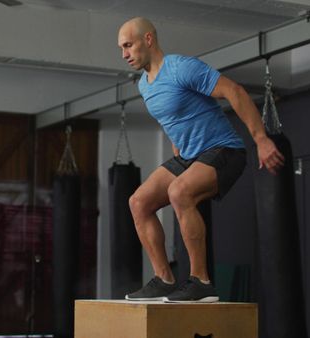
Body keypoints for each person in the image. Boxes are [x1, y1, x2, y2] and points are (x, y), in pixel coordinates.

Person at [117, 17, 284, 303]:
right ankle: (165, 279)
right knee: (138, 202)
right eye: (121, 48)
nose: (124, 54)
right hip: (190, 156)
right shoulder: (144, 85)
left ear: (148, 39)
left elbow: (235, 91)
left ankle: (201, 282)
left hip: (224, 150)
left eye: (129, 45)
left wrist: (261, 139)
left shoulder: (181, 67)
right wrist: (176, 146)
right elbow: (173, 117)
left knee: (179, 192)